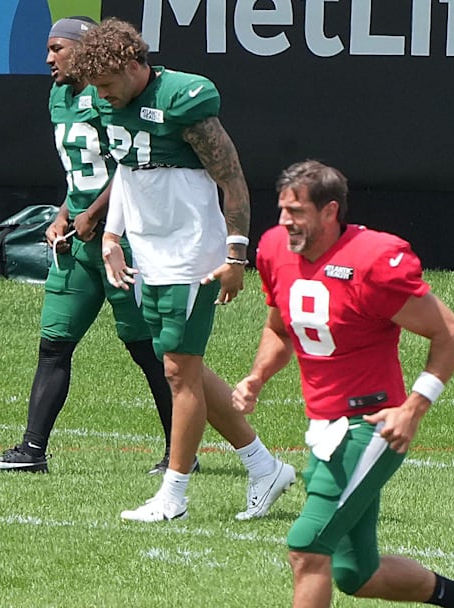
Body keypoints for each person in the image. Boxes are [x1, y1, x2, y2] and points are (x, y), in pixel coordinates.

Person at [232, 160, 454, 608]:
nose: (284, 221)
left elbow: (451, 331)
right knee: (357, 572)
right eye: (282, 209)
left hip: (371, 423)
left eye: (297, 211)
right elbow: (280, 329)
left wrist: (414, 407)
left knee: (306, 546)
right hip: (322, 423)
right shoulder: (275, 249)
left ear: (330, 211)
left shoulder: (372, 260)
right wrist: (257, 377)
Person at [68, 18, 295, 522]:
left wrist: (237, 257)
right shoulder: (110, 105)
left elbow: (232, 180)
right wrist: (110, 235)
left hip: (192, 250)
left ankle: (174, 495)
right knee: (181, 364)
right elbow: (127, 171)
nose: (102, 96)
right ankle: (263, 466)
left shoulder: (184, 98)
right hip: (148, 249)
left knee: (178, 371)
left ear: (133, 67)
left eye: (107, 84)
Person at [0, 16, 176, 475]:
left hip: (121, 239)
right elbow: (81, 172)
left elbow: (127, 166)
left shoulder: (113, 96)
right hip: (78, 240)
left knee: (149, 350)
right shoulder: (60, 95)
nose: (48, 59)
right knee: (54, 343)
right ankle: (31, 451)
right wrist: (66, 214)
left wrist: (93, 216)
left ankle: (179, 453)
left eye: (58, 49)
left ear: (87, 53)